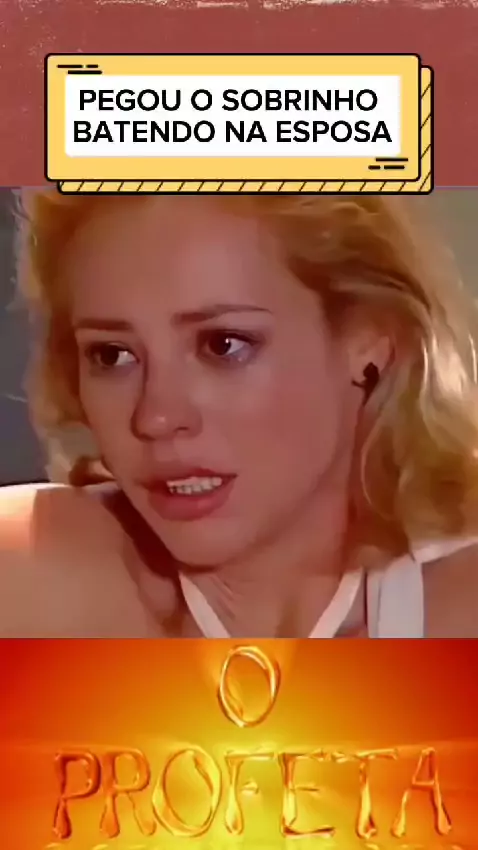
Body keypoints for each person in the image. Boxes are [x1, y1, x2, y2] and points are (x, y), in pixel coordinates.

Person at [1, 190, 478, 638]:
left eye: (223, 345)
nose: (156, 418)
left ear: (369, 341)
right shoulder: (28, 577)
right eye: (112, 355)